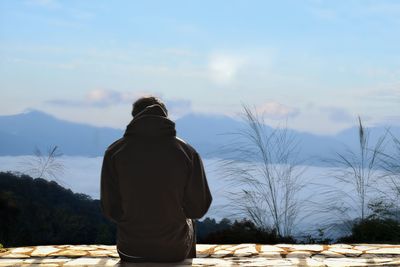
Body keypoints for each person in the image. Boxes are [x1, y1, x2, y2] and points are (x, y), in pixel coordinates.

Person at [100, 96, 212, 263]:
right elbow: (197, 208)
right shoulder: (187, 152)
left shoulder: (114, 152)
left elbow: (111, 208)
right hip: (174, 250)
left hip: (130, 249)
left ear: (134, 117)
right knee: (189, 222)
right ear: (165, 118)